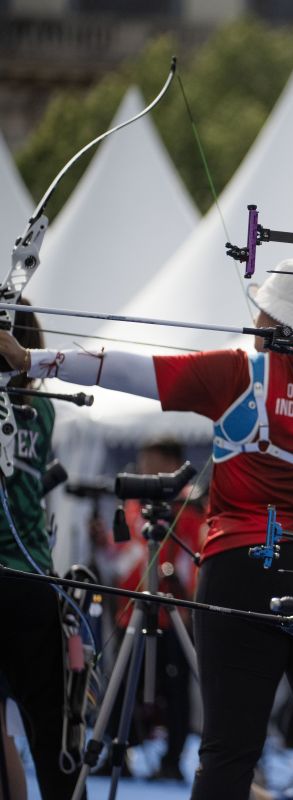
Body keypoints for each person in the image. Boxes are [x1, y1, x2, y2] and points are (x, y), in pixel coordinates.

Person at [0, 264, 293, 800]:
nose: (255, 320)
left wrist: (32, 358)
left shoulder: (238, 374)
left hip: (239, 573)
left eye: (264, 312)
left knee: (228, 751)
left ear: (277, 320)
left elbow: (130, 369)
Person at [0, 301, 81, 799]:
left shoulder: (37, 407)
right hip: (32, 583)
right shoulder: (43, 407)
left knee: (45, 726)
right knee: (50, 726)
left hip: (23, 575)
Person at [89, 437, 206, 781]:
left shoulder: (189, 507)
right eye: (142, 461)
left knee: (177, 691)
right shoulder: (133, 506)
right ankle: (116, 757)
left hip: (174, 613)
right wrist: (102, 546)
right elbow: (122, 558)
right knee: (123, 685)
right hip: (133, 611)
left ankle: (172, 761)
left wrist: (182, 593)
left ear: (173, 464)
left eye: (152, 461)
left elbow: (191, 559)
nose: (144, 469)